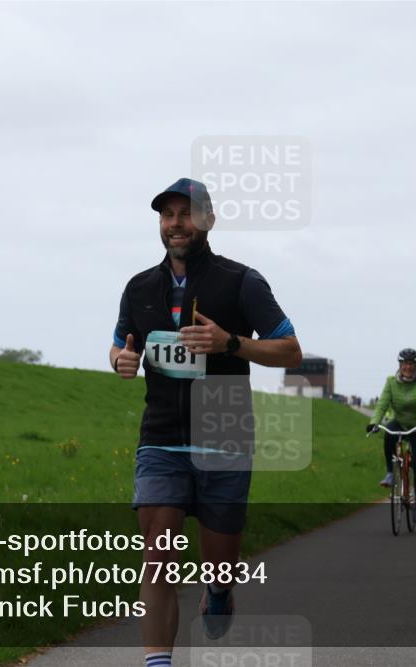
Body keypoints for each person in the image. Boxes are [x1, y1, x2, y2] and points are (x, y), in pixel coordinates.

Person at [111, 178, 302, 666]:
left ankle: (219, 589)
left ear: (209, 220)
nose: (176, 224)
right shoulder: (138, 287)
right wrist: (121, 361)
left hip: (224, 435)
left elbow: (291, 350)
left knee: (218, 563)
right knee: (158, 562)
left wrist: (231, 344)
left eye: (187, 214)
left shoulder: (241, 281)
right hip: (161, 441)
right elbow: (120, 344)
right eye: (167, 215)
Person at [367, 348, 416, 523]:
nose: (408, 367)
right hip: (398, 421)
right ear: (400, 365)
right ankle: (390, 473)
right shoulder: (391, 382)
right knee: (388, 433)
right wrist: (374, 423)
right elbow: (382, 403)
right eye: (405, 363)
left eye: (411, 364)